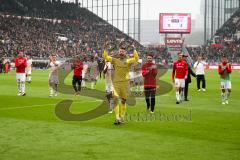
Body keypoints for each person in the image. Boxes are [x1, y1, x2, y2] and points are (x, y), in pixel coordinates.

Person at [103, 41, 139, 125]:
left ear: (125, 52)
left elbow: (136, 58)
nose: (121, 52)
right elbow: (105, 56)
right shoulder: (115, 60)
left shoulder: (129, 60)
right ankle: (117, 118)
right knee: (115, 99)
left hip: (125, 83)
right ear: (118, 52)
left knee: (123, 101)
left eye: (123, 51)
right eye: (120, 51)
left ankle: (122, 117)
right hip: (116, 83)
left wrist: (134, 50)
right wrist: (105, 48)